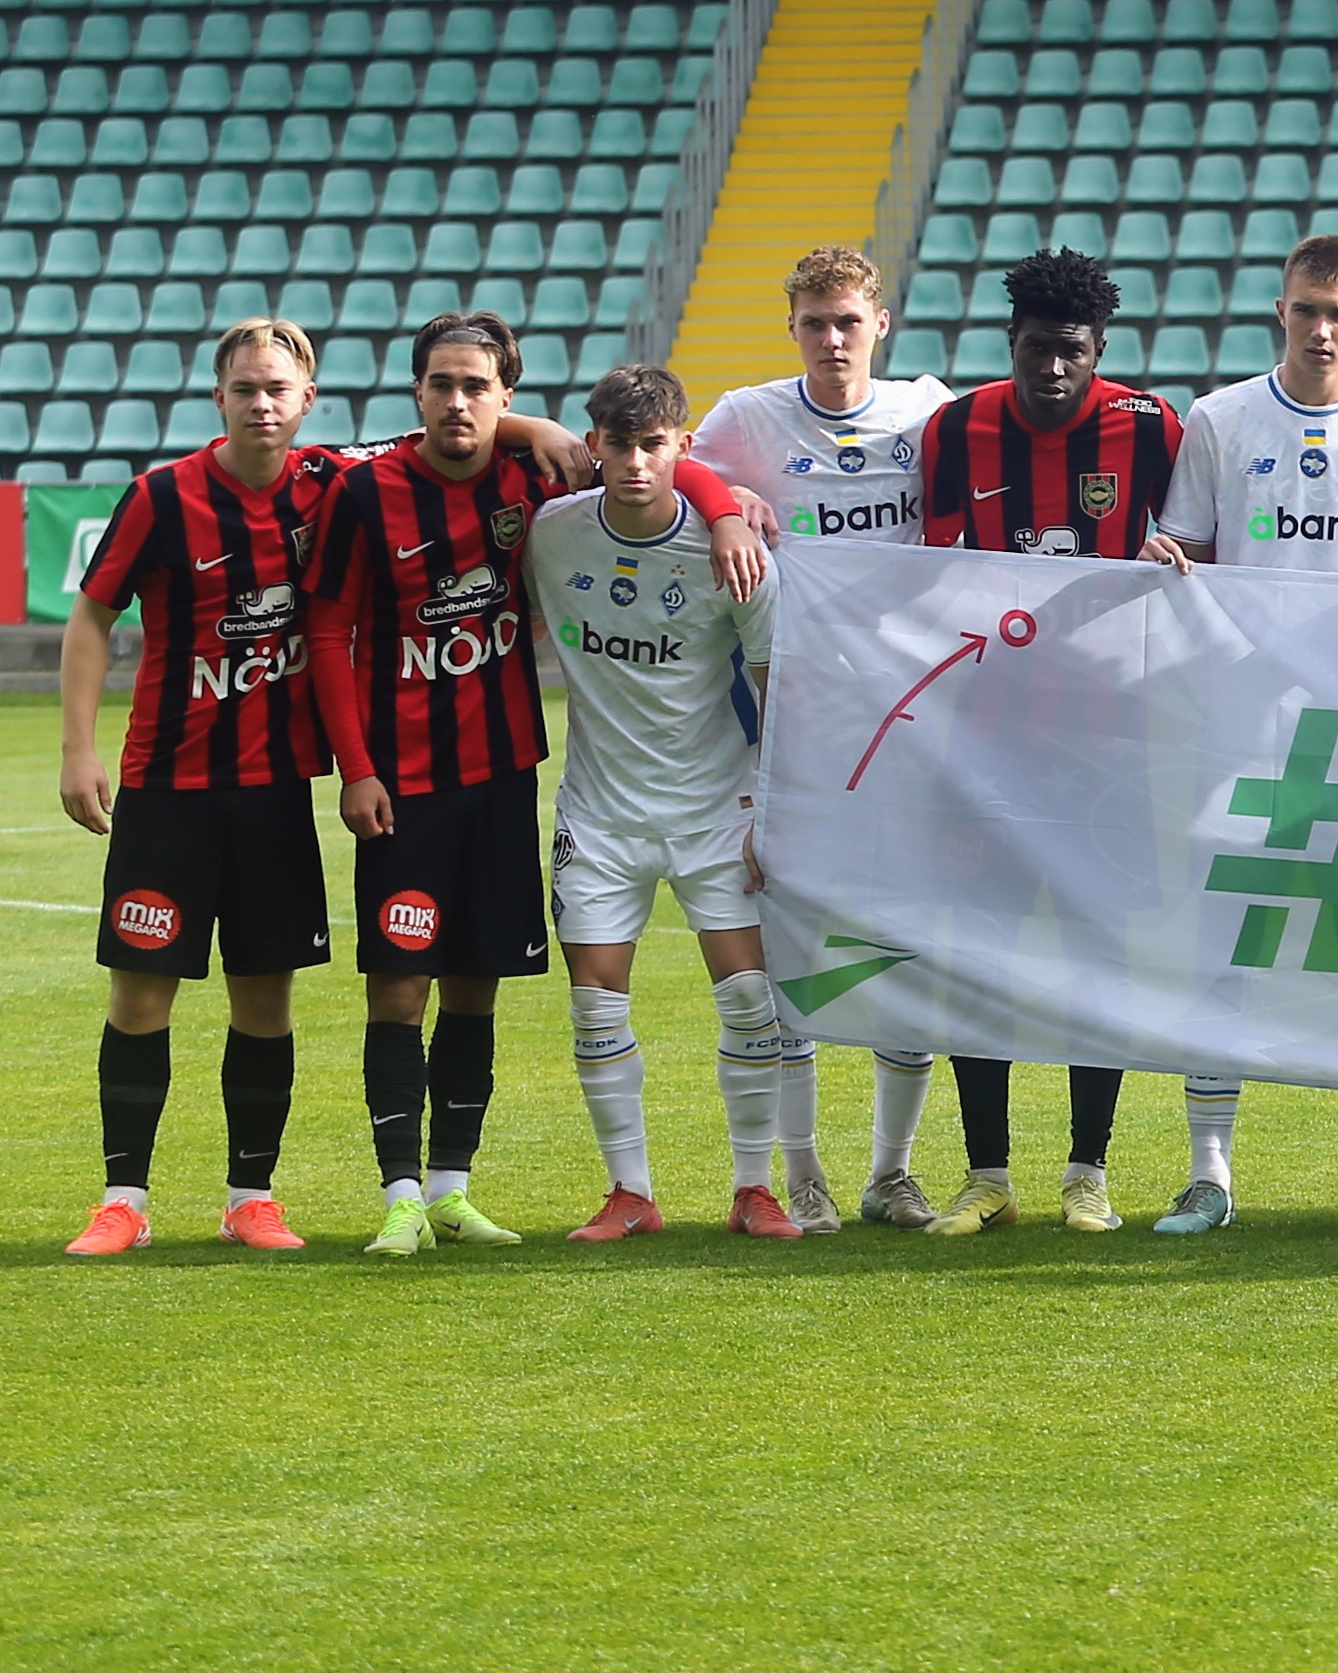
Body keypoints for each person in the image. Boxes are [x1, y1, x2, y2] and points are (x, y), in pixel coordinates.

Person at [308, 310, 756, 1254]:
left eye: (479, 386)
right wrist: (356, 767)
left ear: (506, 396)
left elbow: (655, 459)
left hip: (506, 781)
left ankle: (452, 1190)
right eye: (442, 383)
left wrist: (719, 507)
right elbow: (328, 630)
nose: (458, 400)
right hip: (402, 788)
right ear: (417, 392)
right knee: (397, 993)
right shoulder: (366, 489)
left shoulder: (536, 483)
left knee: (477, 990)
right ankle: (397, 1196)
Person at [1147, 233, 1338, 1233]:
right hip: (1242, 714)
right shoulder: (1219, 419)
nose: (1321, 329)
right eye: (1305, 310)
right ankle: (1210, 1173)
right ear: (1279, 313)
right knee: (1222, 941)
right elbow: (1187, 551)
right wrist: (1162, 557)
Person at [58, 321, 353, 1256]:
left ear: (308, 400)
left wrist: (536, 430)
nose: (262, 402)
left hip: (273, 794)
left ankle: (249, 1198)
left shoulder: (332, 487)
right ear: (217, 398)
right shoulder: (160, 497)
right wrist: (78, 747)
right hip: (166, 791)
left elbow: (452, 431)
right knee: (140, 998)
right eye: (245, 388)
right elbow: (93, 617)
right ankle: (124, 1202)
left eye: (279, 387)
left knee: (264, 1002)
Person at [910, 249, 1185, 1233]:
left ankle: (1086, 1172)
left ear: (1098, 349)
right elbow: (924, 580)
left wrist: (1177, 558)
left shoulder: (1151, 429)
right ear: (1010, 345)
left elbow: (1204, 558)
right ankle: (986, 1174)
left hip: (1104, 747)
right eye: (1036, 350)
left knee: (1088, 955)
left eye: (1072, 351)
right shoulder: (953, 431)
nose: (1053, 369)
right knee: (976, 956)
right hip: (980, 746)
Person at [689, 244, 952, 1232]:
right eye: (814, 324)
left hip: (913, 726)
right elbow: (655, 462)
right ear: (792, 329)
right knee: (794, 950)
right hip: (789, 727)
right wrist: (723, 501)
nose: (833, 341)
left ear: (879, 323)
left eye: (848, 321)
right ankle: (804, 1175)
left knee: (907, 954)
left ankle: (893, 1172)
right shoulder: (752, 417)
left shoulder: (926, 414)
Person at [529, 365, 795, 1242]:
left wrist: (772, 807)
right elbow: (476, 422)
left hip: (718, 808)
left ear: (682, 445)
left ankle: (754, 1187)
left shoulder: (739, 554)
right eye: (619, 444)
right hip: (600, 815)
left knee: (752, 999)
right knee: (596, 1005)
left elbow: (772, 689)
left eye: (655, 445)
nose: (637, 462)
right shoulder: (551, 534)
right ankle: (630, 1191)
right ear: (593, 445)